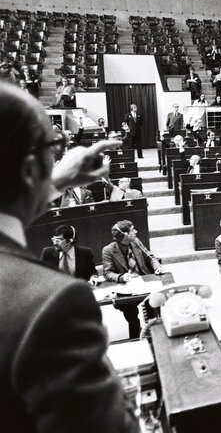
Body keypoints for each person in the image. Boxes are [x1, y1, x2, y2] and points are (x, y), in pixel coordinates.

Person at [0, 78, 137, 431]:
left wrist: (55, 180)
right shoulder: (52, 304)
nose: (58, 154)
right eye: (54, 144)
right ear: (30, 168)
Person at [102, 220, 163, 338]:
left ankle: (155, 335)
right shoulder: (108, 250)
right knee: (132, 318)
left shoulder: (136, 241)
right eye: (132, 230)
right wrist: (121, 277)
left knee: (153, 309)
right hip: (126, 288)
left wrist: (157, 266)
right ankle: (135, 337)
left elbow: (150, 256)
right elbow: (107, 273)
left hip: (145, 282)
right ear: (125, 235)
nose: (136, 231)